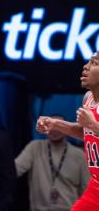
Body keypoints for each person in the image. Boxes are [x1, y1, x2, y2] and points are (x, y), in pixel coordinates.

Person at [37, 52, 99, 210]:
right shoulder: (88, 98)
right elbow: (86, 133)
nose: (85, 67)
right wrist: (56, 124)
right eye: (88, 62)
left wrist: (93, 125)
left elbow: (92, 128)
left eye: (94, 63)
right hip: (96, 186)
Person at [16, 115, 89, 210]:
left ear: (67, 128)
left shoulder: (79, 155)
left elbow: (86, 189)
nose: (54, 129)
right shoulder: (35, 148)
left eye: (58, 126)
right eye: (50, 125)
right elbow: (13, 170)